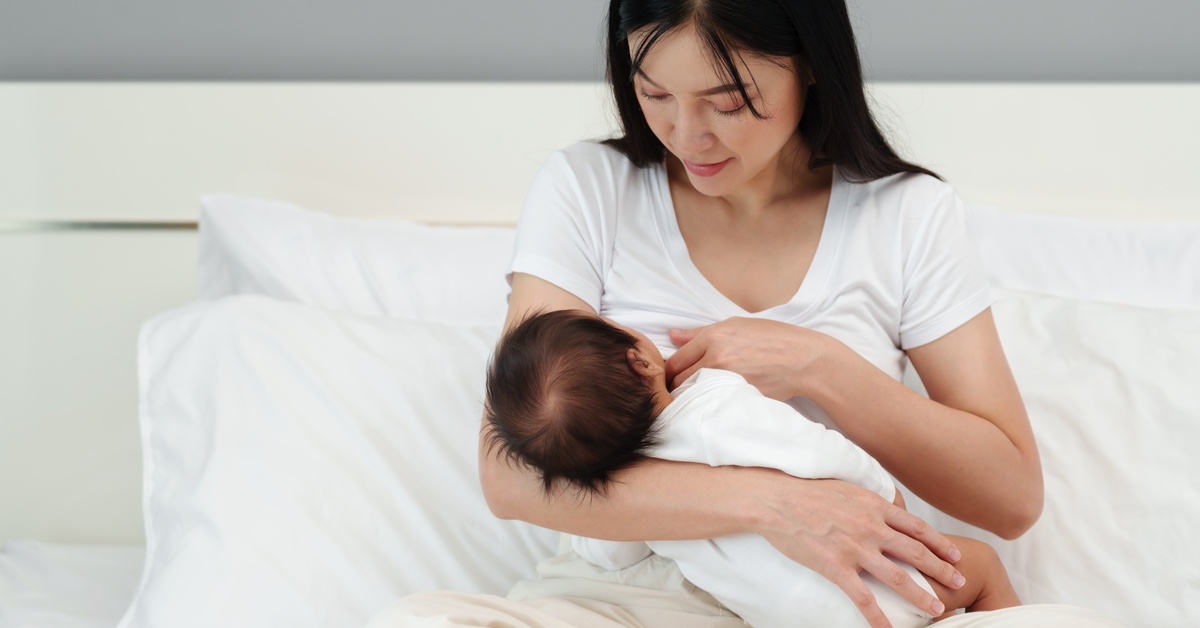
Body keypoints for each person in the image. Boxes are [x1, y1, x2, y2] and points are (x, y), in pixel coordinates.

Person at [367, 0, 1119, 625]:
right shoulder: (588, 189)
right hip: (627, 600)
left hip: (833, 593)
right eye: (653, 94)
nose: (687, 136)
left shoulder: (907, 216)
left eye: (729, 102)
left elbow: (1011, 496)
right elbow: (511, 474)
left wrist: (818, 365)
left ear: (812, 63)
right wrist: (775, 507)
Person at [482, 309, 1021, 628]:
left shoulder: (637, 504)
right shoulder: (715, 404)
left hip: (789, 619)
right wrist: (887, 502)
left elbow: (607, 551)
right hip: (868, 591)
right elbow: (817, 451)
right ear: (640, 360)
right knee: (983, 567)